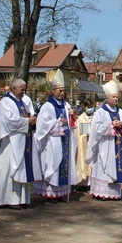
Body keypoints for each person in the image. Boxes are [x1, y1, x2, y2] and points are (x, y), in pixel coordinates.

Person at [0, 79, 37, 209]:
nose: (23, 92)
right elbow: (9, 121)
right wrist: (27, 121)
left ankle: (21, 198)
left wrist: (31, 120)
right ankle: (7, 199)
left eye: (24, 89)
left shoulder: (21, 102)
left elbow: (25, 116)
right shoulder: (6, 102)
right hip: (9, 143)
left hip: (21, 141)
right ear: (13, 89)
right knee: (8, 169)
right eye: (21, 90)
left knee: (21, 169)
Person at [33, 70, 76, 200]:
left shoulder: (66, 105)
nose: (62, 93)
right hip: (52, 142)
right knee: (53, 165)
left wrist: (71, 117)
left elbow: (72, 122)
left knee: (63, 165)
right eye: (59, 91)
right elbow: (42, 125)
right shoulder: (47, 106)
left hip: (64, 140)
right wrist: (58, 122)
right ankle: (50, 192)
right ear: (53, 91)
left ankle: (61, 192)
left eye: (63, 91)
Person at [87, 80, 122, 200]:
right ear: (107, 98)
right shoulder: (100, 112)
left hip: (117, 145)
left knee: (116, 165)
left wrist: (121, 125)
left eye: (117, 97)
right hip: (105, 146)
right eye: (113, 97)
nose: (116, 99)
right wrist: (111, 125)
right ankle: (101, 192)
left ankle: (114, 193)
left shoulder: (121, 112)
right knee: (103, 167)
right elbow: (96, 128)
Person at [74, 101, 93, 189]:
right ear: (85, 108)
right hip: (85, 141)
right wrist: (85, 134)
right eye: (88, 107)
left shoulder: (96, 116)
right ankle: (84, 183)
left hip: (93, 142)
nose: (90, 108)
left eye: (91, 106)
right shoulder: (81, 118)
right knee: (84, 160)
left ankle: (92, 182)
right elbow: (79, 132)